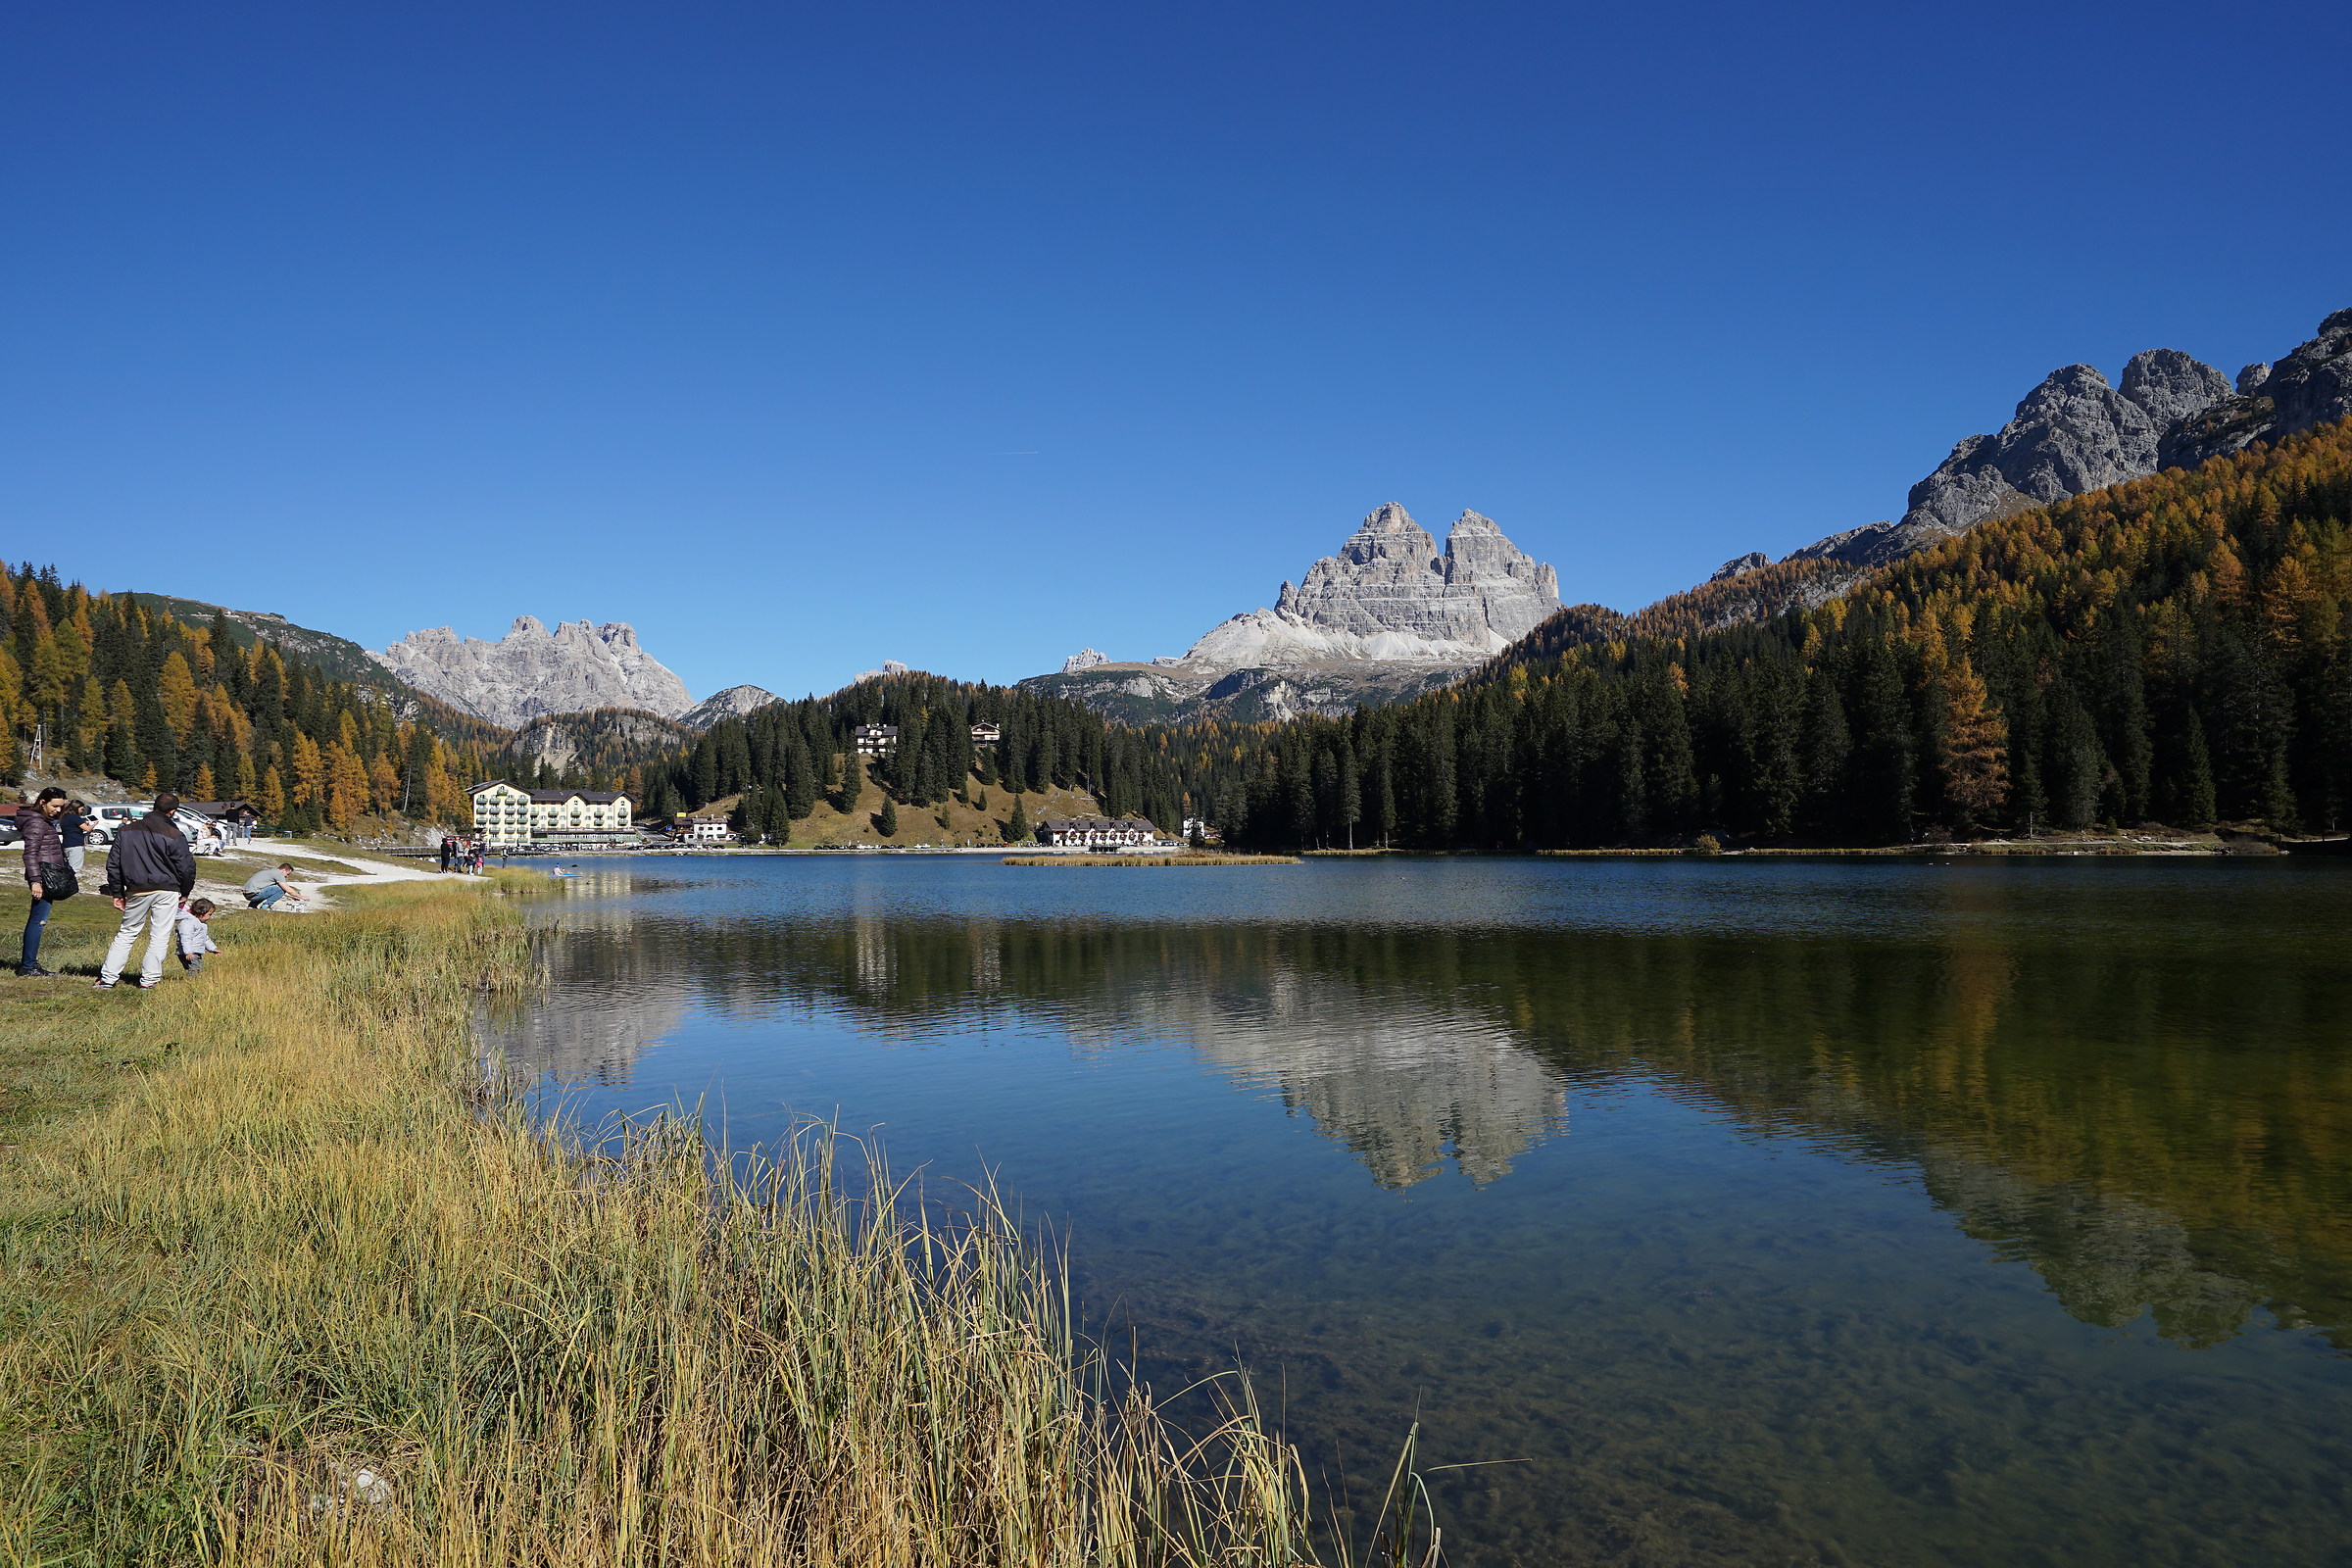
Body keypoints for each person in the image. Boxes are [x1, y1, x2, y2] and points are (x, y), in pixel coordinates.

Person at [95, 793, 198, 991]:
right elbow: (186, 867)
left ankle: (107, 978)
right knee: (159, 935)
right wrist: (185, 892)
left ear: (153, 806)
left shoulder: (126, 830)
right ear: (173, 811)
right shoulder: (174, 833)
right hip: (167, 889)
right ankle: (149, 981)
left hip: (136, 888)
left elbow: (113, 865)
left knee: (127, 932)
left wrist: (117, 893)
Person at [18, 787, 72, 979]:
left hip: (47, 876)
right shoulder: (37, 824)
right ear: (42, 802)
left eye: (61, 806)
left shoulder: (43, 821)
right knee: (38, 921)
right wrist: (36, 881)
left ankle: (29, 964)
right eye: (54, 806)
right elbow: (30, 854)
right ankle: (28, 966)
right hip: (43, 878)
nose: (58, 810)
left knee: (38, 919)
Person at [175, 898, 220, 974]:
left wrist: (212, 948)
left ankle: (196, 982)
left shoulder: (201, 924)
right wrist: (188, 952)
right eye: (209, 914)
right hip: (188, 952)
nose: (211, 917)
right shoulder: (188, 923)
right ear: (201, 913)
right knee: (195, 968)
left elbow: (204, 938)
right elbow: (186, 938)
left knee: (199, 968)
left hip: (195, 951)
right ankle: (191, 982)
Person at [244, 862, 308, 911]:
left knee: (269, 890)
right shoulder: (278, 874)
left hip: (248, 893)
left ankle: (252, 906)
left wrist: (293, 897)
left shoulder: (269, 872)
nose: (287, 876)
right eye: (287, 874)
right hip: (255, 893)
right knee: (280, 889)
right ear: (283, 870)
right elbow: (287, 889)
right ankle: (266, 906)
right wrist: (301, 897)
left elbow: (276, 892)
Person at [59, 799, 88, 879]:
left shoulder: (64, 817)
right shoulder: (75, 817)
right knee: (74, 867)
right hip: (76, 844)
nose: (82, 811)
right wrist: (94, 824)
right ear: (77, 807)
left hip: (66, 843)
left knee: (68, 865)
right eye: (81, 809)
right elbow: (87, 828)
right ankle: (66, 883)